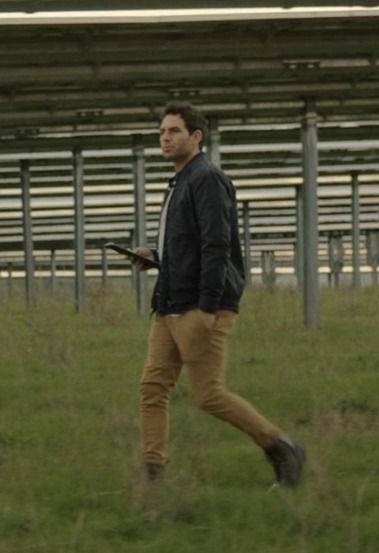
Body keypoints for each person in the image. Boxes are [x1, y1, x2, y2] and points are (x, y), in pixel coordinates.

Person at [126, 101, 306, 487]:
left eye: (174, 131)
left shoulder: (207, 179)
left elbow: (216, 245)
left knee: (207, 394)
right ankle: (153, 477)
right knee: (152, 389)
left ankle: (281, 445)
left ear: (195, 136)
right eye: (161, 132)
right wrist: (155, 256)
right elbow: (187, 246)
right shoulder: (180, 183)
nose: (165, 138)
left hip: (198, 306)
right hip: (169, 305)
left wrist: (208, 308)